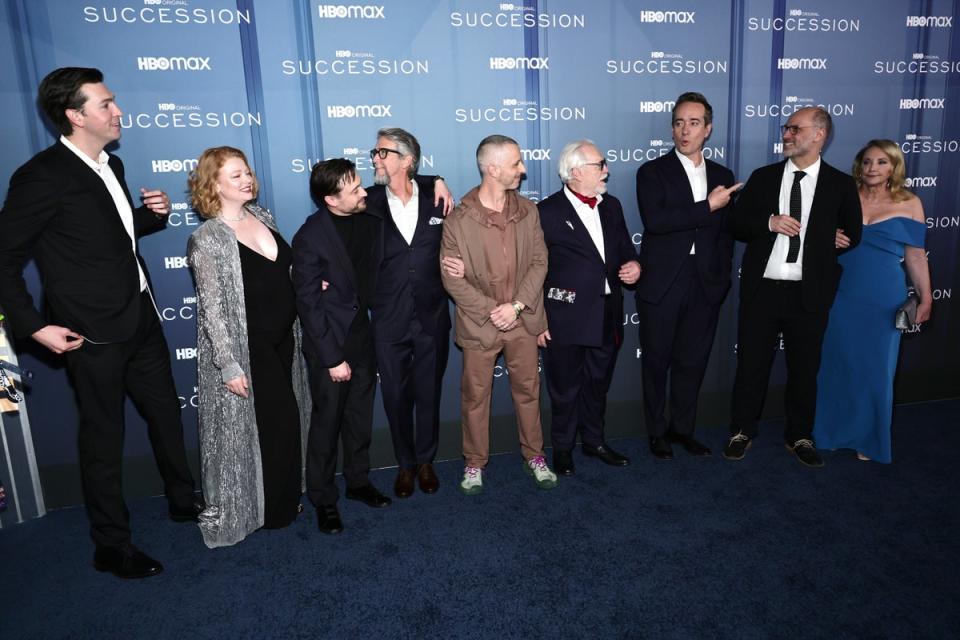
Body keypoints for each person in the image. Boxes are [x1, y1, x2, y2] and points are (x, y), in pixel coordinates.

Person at [0, 67, 199, 578]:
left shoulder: (113, 164)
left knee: (165, 416)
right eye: (106, 104)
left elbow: (105, 233)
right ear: (75, 115)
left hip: (141, 317)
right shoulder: (41, 176)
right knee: (103, 439)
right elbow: (4, 255)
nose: (118, 111)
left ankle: (184, 502)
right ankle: (111, 545)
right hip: (90, 333)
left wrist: (151, 217)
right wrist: (32, 325)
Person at [725, 106, 863, 467]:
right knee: (752, 365)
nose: (787, 134)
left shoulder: (840, 183)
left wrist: (826, 236)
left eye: (795, 128)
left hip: (809, 292)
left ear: (820, 135)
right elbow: (737, 224)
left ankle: (799, 434)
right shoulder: (764, 176)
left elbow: (853, 234)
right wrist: (768, 222)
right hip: (763, 290)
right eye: (786, 128)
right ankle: (742, 430)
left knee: (805, 368)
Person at [187, 147, 311, 547]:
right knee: (277, 423)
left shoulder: (263, 217)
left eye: (247, 172)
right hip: (249, 345)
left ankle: (285, 498)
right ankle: (271, 510)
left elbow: (284, 272)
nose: (247, 180)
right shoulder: (207, 239)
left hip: (284, 338)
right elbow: (211, 311)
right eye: (236, 175)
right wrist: (228, 364)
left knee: (288, 418)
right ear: (214, 185)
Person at [440, 134, 557, 495]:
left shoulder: (528, 211)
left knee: (528, 390)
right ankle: (474, 464)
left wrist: (517, 306)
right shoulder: (458, 220)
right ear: (493, 169)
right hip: (480, 326)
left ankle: (535, 456)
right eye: (516, 163)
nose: (523, 169)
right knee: (475, 396)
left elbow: (540, 262)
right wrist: (495, 311)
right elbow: (451, 280)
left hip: (522, 321)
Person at [635, 92, 741, 460]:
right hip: (664, 283)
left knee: (692, 362)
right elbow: (658, 221)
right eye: (679, 122)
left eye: (694, 123)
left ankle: (683, 430)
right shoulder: (652, 172)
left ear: (708, 130)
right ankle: (657, 433)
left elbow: (727, 233)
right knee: (656, 362)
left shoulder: (723, 176)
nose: (685, 130)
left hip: (705, 283)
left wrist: (721, 275)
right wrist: (708, 205)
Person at [814, 140, 932, 463]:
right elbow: (815, 235)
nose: (872, 168)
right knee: (837, 363)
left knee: (876, 369)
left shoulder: (910, 203)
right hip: (841, 290)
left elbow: (916, 257)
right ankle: (831, 432)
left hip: (883, 296)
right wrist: (829, 235)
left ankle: (869, 438)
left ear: (893, 167)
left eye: (881, 162)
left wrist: (926, 296)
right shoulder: (844, 195)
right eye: (867, 162)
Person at [292, 158, 391, 534]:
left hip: (364, 337)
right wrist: (333, 358)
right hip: (329, 344)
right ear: (332, 200)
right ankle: (323, 497)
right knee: (327, 425)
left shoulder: (368, 216)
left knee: (359, 418)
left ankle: (359, 482)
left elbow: (405, 179)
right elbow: (308, 304)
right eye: (354, 190)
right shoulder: (310, 237)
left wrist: (439, 181)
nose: (364, 192)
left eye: (361, 185)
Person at [536, 139, 640, 475]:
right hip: (564, 317)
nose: (607, 170)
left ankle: (594, 441)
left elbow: (626, 248)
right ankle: (563, 448)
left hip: (607, 314)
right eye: (601, 164)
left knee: (598, 383)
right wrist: (537, 320)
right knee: (565, 389)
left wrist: (633, 265)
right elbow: (531, 271)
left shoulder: (612, 207)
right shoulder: (547, 213)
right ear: (577, 172)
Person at [366, 128, 451, 498]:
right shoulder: (365, 201)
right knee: (396, 397)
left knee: (429, 392)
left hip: (432, 315)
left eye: (382, 152)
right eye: (375, 152)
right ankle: (404, 464)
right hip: (387, 318)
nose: (374, 158)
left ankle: (427, 460)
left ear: (407, 159)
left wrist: (437, 179)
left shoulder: (437, 198)